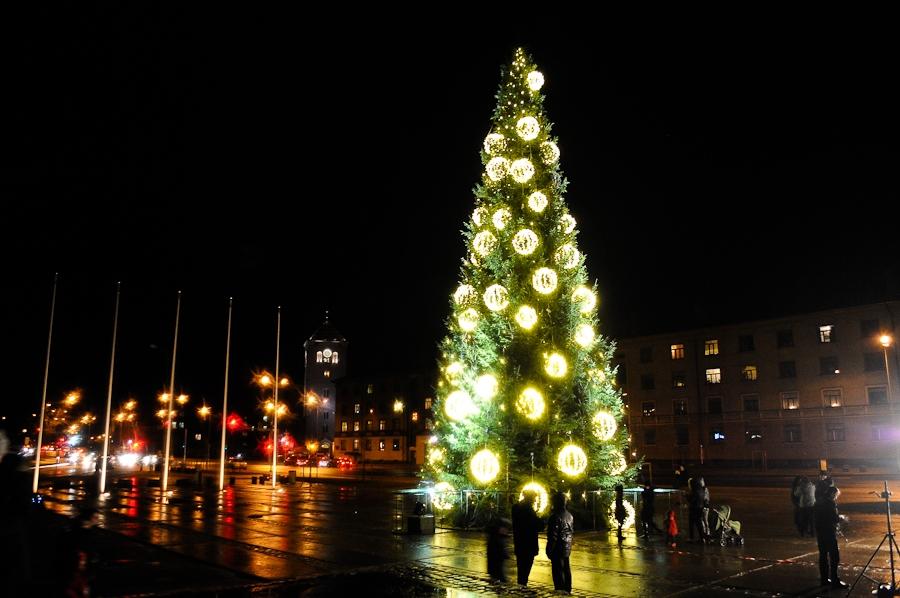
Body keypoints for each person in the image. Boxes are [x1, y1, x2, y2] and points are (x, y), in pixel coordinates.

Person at [814, 485, 846, 589]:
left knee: (823, 556)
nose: (836, 497)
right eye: (836, 495)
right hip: (829, 533)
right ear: (832, 494)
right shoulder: (830, 504)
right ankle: (835, 580)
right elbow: (833, 518)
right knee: (834, 557)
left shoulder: (819, 502)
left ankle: (824, 579)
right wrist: (841, 518)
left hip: (820, 533)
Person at [511, 489, 544, 586]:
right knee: (525, 568)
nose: (534, 501)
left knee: (521, 567)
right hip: (528, 544)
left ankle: (521, 585)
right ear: (530, 498)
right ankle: (522, 587)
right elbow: (538, 526)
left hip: (519, 542)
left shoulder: (516, 507)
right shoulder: (528, 510)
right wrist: (542, 520)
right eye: (534, 498)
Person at [546, 491, 574, 594]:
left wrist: (549, 549)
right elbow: (571, 532)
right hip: (567, 546)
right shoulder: (569, 515)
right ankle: (567, 589)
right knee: (566, 568)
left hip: (557, 548)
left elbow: (553, 535)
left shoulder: (555, 516)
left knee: (558, 571)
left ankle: (560, 591)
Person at [486, 514, 511, 583]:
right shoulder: (497, 539)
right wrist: (505, 555)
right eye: (505, 528)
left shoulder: (496, 536)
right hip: (496, 566)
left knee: (497, 579)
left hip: (496, 566)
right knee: (499, 579)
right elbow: (499, 551)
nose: (507, 530)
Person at [689, 476, 711, 543]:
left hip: (698, 508)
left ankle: (703, 537)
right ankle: (705, 536)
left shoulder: (697, 490)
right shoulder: (703, 489)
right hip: (702, 507)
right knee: (702, 523)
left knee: (699, 523)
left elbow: (693, 499)